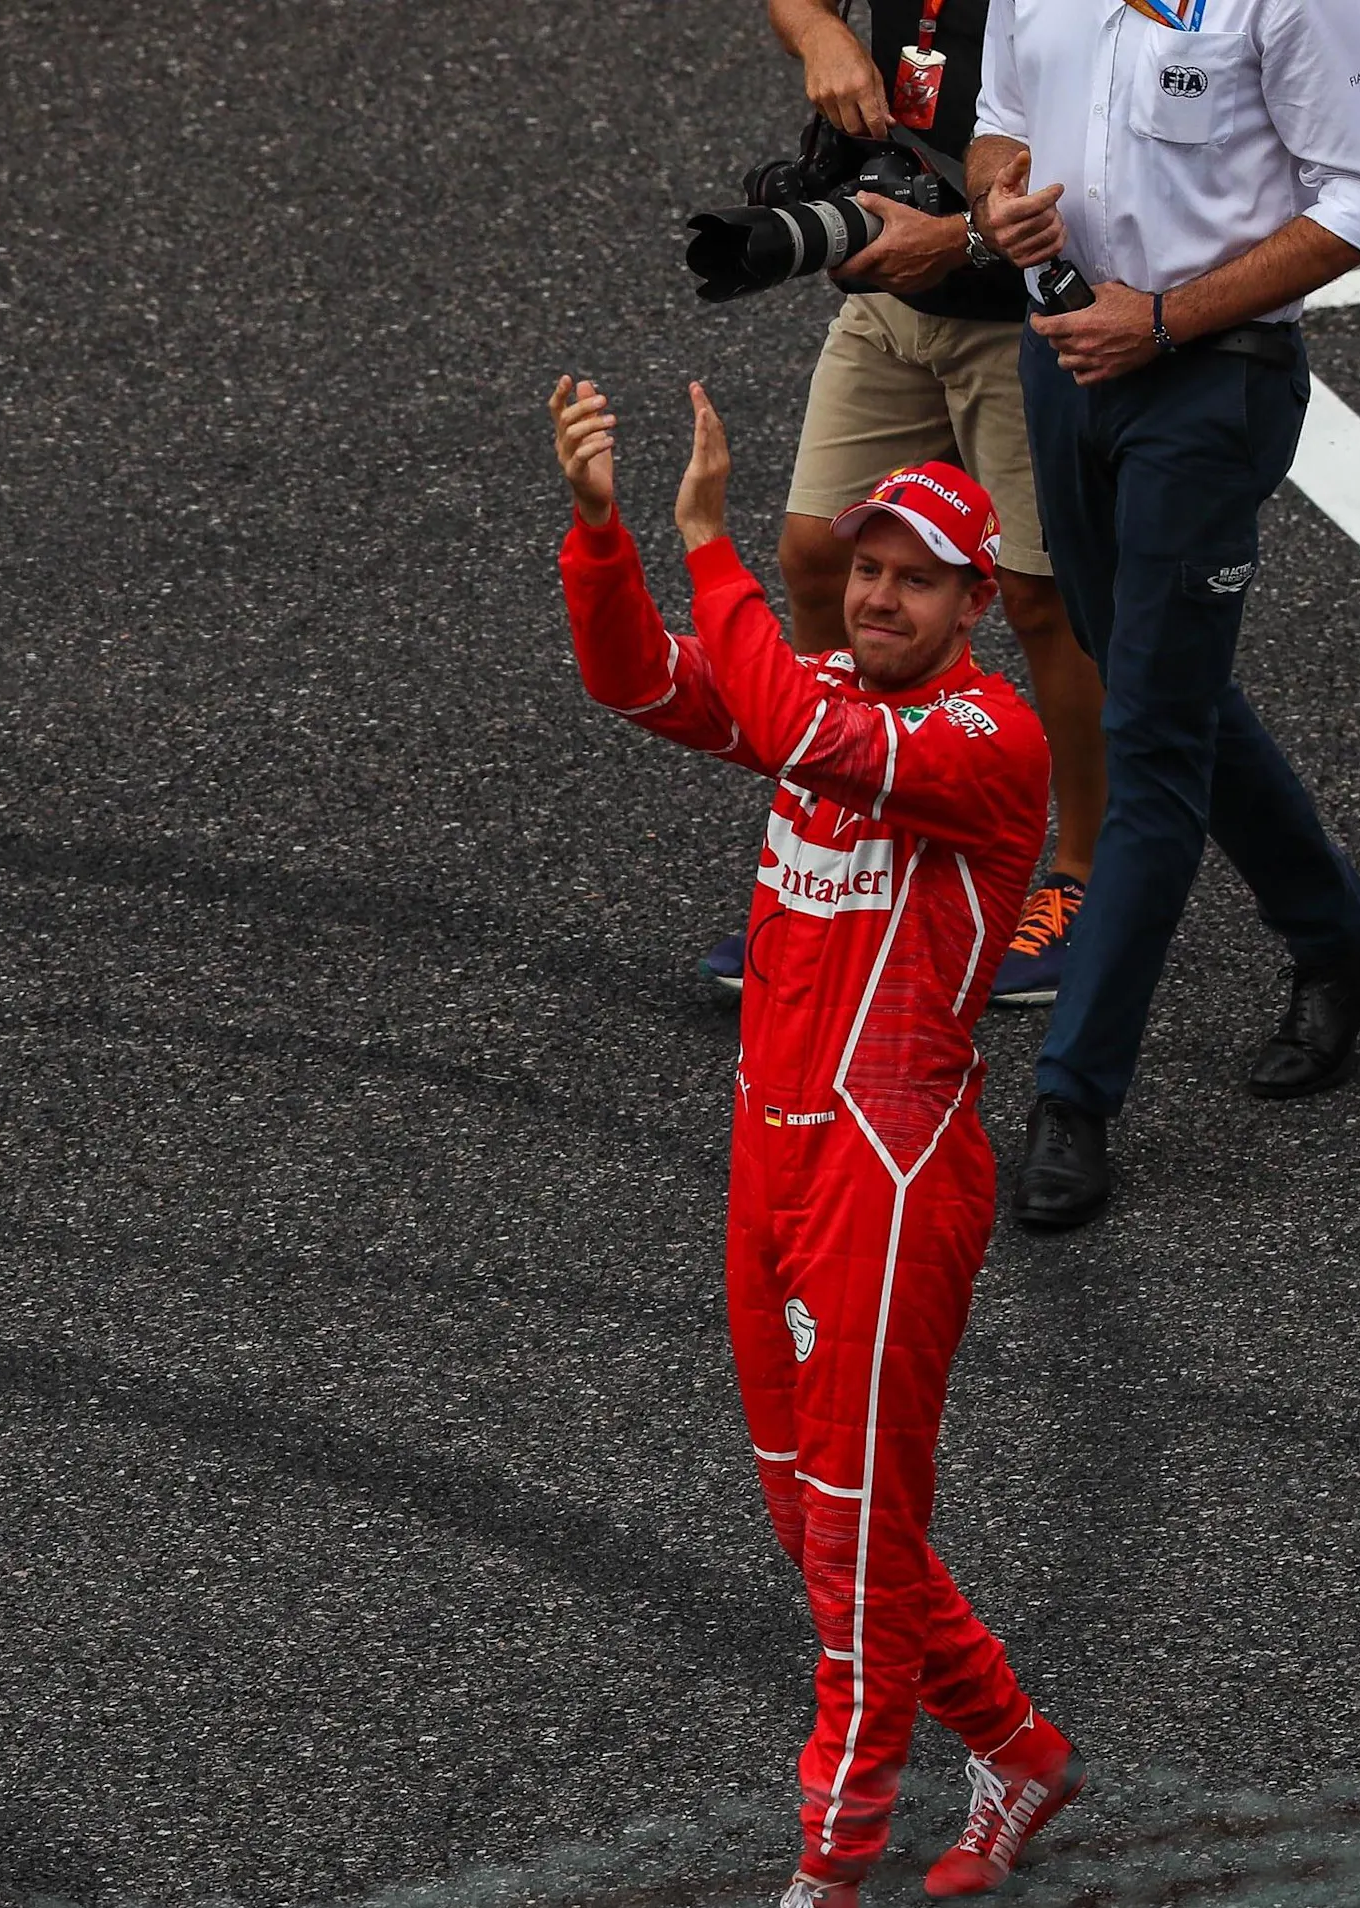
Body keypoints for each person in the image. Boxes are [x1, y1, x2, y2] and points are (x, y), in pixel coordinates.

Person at [548, 372, 1091, 1906]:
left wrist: (712, 544)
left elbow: (779, 710)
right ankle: (1020, 1752)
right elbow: (642, 685)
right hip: (772, 1153)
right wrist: (604, 537)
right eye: (864, 568)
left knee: (854, 1544)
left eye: (914, 578)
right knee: (811, 1516)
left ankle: (828, 1874)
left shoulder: (986, 739)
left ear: (974, 600)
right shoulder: (840, 702)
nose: (878, 595)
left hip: (893, 1174)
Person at [967, 0, 1360, 1229]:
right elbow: (999, 123)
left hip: (1211, 385)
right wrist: (995, 204)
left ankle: (1072, 1096)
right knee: (1151, 677)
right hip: (1062, 359)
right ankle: (1339, 940)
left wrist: (1163, 317)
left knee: (1151, 742)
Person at [694, 0, 1111, 1011]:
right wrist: (822, 36)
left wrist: (964, 238)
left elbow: (1101, 153)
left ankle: (1084, 878)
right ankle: (853, 836)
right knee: (819, 557)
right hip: (894, 303)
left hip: (1028, 305)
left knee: (1040, 597)